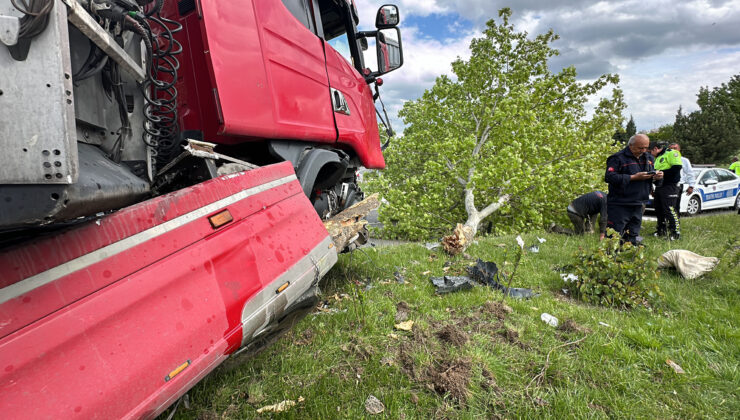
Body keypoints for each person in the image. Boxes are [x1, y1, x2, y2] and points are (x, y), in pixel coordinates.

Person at [605, 134, 663, 245]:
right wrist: (633, 177)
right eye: (640, 148)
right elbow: (609, 177)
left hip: (639, 203)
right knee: (614, 236)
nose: (643, 150)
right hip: (620, 204)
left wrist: (657, 177)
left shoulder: (649, 158)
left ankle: (628, 259)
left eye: (646, 147)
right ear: (630, 145)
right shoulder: (617, 158)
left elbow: (653, 179)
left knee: (632, 235)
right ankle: (610, 259)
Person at [651, 142, 682, 240]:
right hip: (660, 186)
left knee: (670, 209)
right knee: (659, 208)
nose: (650, 154)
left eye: (650, 151)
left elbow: (677, 168)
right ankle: (661, 230)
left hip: (670, 185)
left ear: (655, 148)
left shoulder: (671, 153)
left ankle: (675, 232)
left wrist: (663, 174)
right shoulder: (658, 157)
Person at [668, 143, 695, 218]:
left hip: (678, 185)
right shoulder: (666, 159)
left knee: (675, 206)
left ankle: (676, 226)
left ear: (679, 149)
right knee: (666, 206)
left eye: (675, 148)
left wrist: (691, 186)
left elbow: (690, 173)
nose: (673, 150)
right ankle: (666, 224)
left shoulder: (684, 160)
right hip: (666, 185)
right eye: (671, 148)